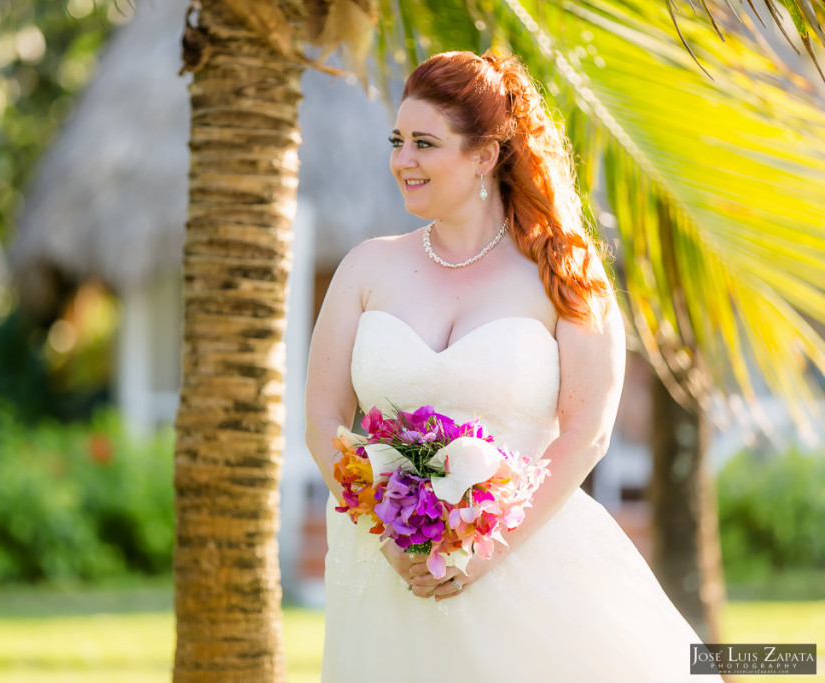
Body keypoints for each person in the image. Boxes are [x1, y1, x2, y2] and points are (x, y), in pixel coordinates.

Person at [304, 50, 718, 681]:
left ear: (485, 156)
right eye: (398, 141)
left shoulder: (564, 276)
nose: (401, 161)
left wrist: (481, 551)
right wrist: (391, 538)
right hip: (386, 572)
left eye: (424, 143)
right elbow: (323, 419)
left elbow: (587, 433)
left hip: (528, 563)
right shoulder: (365, 268)